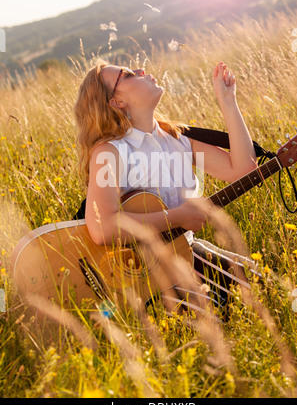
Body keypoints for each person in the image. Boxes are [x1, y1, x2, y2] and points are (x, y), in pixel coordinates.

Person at [74, 60, 259, 312]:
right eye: (128, 75)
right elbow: (102, 227)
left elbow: (243, 169)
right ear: (117, 102)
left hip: (186, 252)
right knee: (218, 316)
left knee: (264, 287)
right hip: (141, 276)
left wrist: (228, 102)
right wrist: (177, 217)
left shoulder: (177, 139)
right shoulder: (110, 151)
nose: (140, 70)